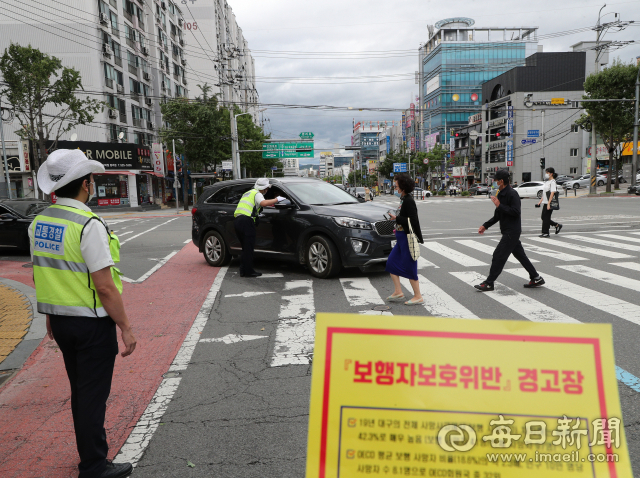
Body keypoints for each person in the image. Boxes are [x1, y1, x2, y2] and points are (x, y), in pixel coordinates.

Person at [29, 149, 136, 478]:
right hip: (91, 325)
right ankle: (93, 465)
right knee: (92, 396)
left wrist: (50, 313)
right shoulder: (88, 224)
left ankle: (90, 455)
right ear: (86, 185)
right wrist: (126, 327)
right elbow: (105, 286)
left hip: (60, 322)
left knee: (81, 392)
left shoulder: (40, 221)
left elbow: (44, 273)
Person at [474, 169, 545, 292]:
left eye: (495, 180)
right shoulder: (500, 193)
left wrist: (499, 205)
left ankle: (489, 283)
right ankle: (536, 277)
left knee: (498, 255)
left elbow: (516, 212)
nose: (494, 182)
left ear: (501, 181)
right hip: (508, 230)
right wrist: (485, 225)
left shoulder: (512, 194)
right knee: (521, 256)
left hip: (512, 231)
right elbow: (498, 215)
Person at [385, 173, 424, 305]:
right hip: (401, 237)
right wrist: (396, 223)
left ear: (403, 187)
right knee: (391, 263)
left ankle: (418, 296)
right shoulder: (403, 199)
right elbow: (404, 219)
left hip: (407, 238)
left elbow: (412, 220)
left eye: (396, 185)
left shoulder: (409, 200)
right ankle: (398, 292)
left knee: (410, 266)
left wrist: (397, 219)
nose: (395, 188)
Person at [234, 178, 283, 277]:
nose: (267, 190)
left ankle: (243, 270)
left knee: (245, 248)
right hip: (246, 222)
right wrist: (278, 199)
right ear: (264, 188)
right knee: (249, 248)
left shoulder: (248, 193)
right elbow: (263, 203)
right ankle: (248, 271)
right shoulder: (257, 193)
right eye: (267, 188)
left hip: (238, 221)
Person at [537, 167, 562, 238]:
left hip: (549, 203)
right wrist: (540, 201)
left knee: (546, 218)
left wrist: (549, 203)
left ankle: (546, 233)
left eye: (547, 173)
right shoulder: (547, 182)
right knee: (544, 217)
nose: (546, 174)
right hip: (545, 202)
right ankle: (557, 225)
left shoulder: (553, 182)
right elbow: (545, 193)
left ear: (551, 174)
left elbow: (552, 193)